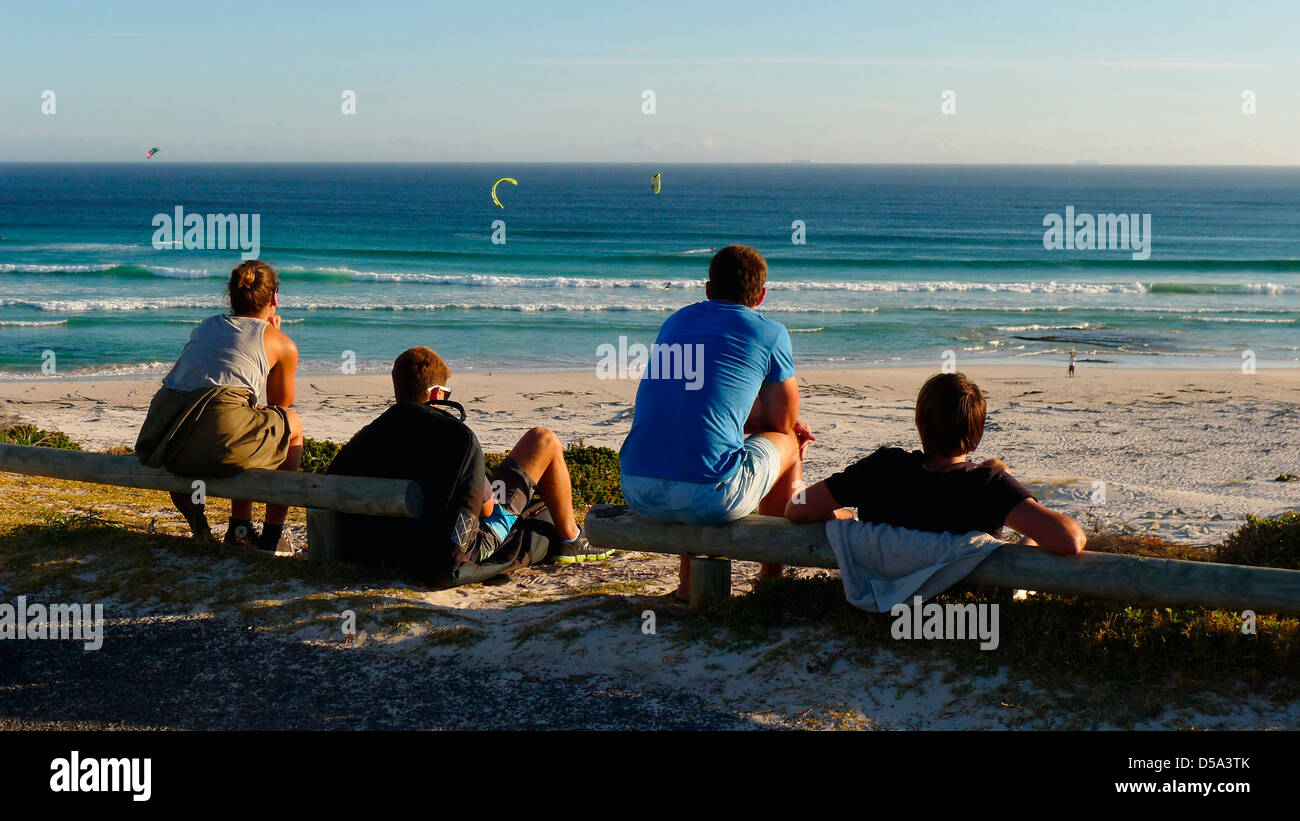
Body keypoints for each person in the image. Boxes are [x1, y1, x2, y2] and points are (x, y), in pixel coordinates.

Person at [619, 245, 813, 601]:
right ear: (761, 296)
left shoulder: (675, 322)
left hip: (637, 487)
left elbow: (691, 404)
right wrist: (781, 428)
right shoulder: (770, 333)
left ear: (708, 289)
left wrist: (743, 421)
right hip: (709, 496)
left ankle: (688, 586)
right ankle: (771, 579)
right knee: (787, 442)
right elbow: (781, 422)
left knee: (692, 441)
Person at [326, 346, 610, 586]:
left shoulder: (369, 435)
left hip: (394, 546)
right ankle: (571, 538)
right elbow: (485, 509)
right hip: (460, 547)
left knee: (500, 480)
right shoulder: (455, 439)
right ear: (437, 392)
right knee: (542, 440)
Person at [785, 372, 1085, 556]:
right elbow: (1069, 540)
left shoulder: (883, 467)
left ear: (919, 424)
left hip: (884, 597)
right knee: (1025, 524)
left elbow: (797, 508)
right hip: (967, 605)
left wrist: (845, 516)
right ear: (977, 434)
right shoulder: (988, 485)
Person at [136, 260, 304, 554]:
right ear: (274, 299)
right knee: (290, 424)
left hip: (165, 440)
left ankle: (237, 528)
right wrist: (274, 338)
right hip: (217, 441)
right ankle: (272, 536)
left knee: (246, 420)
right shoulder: (281, 343)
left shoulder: (205, 326)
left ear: (231, 295)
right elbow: (280, 404)